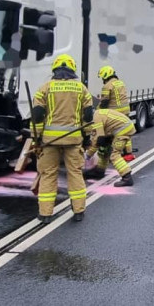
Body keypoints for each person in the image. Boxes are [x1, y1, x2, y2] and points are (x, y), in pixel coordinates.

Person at [30, 54, 93, 223]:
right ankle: (79, 211)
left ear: (55, 69)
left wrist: (36, 139)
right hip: (73, 141)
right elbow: (87, 117)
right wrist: (87, 138)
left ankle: (45, 214)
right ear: (72, 69)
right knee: (75, 173)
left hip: (49, 141)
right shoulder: (81, 89)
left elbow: (37, 117)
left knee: (48, 174)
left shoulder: (45, 88)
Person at [84, 65, 131, 179]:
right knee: (105, 145)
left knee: (111, 151)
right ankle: (101, 170)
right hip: (124, 114)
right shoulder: (120, 83)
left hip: (113, 116)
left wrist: (87, 155)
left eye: (102, 78)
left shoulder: (107, 86)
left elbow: (104, 103)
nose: (102, 80)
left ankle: (126, 176)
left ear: (105, 76)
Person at [83, 108, 135, 187]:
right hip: (118, 128)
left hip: (123, 130)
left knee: (114, 155)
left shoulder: (96, 119)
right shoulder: (97, 114)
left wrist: (88, 155)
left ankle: (127, 178)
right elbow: (98, 137)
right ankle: (99, 171)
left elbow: (99, 139)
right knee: (104, 149)